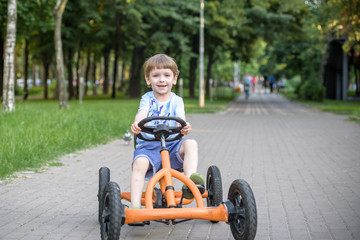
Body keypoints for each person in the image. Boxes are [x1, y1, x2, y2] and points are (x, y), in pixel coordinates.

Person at [130, 54, 204, 209]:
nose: (162, 80)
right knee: (139, 164)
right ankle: (135, 208)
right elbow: (142, 113)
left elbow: (180, 118)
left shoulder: (177, 100)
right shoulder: (147, 98)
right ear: (148, 80)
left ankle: (190, 183)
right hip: (149, 148)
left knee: (191, 143)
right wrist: (137, 122)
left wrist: (184, 126)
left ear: (174, 79)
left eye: (166, 75)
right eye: (156, 76)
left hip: (172, 146)